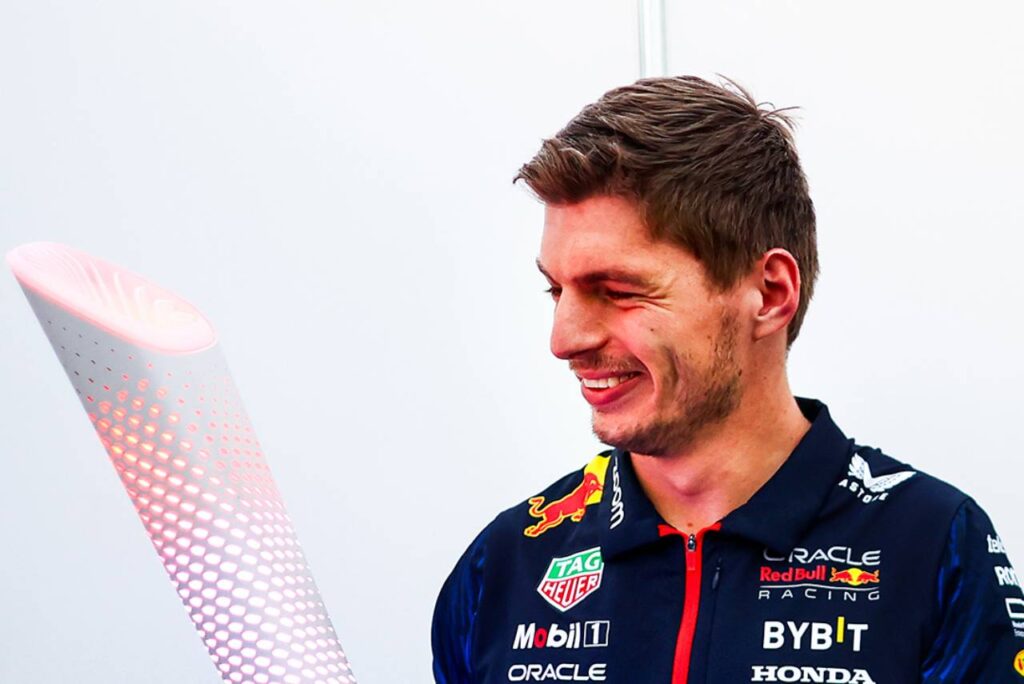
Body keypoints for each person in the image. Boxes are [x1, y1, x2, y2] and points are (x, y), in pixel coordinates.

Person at [431, 76, 1024, 683]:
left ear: (769, 293)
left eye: (618, 290)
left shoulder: (934, 547)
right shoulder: (505, 565)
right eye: (556, 291)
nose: (565, 340)